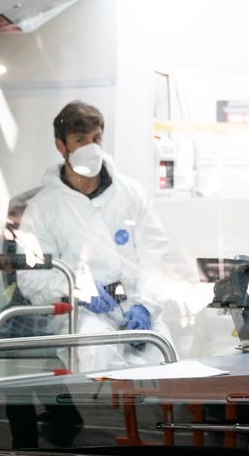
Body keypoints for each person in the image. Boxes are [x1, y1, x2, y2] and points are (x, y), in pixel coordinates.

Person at [16, 100, 172, 371]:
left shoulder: (131, 194)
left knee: (165, 363)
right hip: (82, 315)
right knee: (99, 361)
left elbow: (156, 257)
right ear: (61, 146)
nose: (91, 147)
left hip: (136, 307)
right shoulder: (42, 208)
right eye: (80, 139)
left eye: (96, 138)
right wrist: (79, 288)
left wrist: (147, 306)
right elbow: (31, 278)